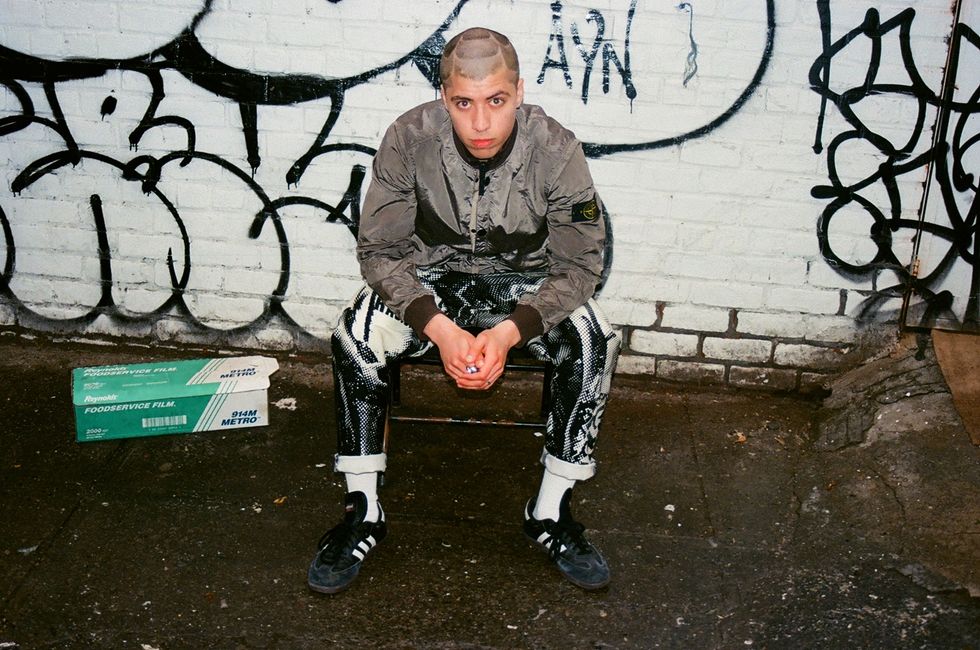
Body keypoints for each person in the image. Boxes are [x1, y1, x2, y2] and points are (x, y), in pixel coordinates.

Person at [307, 27, 620, 594]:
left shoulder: (556, 150)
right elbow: (380, 252)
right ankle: (363, 509)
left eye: (496, 100)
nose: (480, 123)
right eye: (463, 103)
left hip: (524, 283)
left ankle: (550, 511)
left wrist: (508, 333)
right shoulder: (408, 138)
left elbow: (580, 266)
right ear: (443, 97)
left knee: (594, 340)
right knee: (354, 336)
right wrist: (439, 328)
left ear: (519, 92)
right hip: (431, 279)